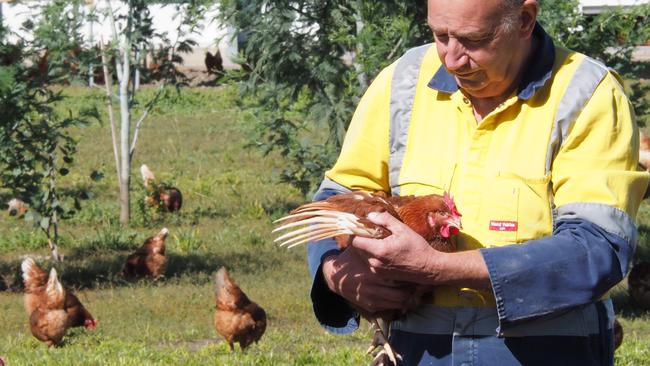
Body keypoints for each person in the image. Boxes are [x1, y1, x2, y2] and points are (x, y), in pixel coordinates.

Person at [305, 0, 649, 365]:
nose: (452, 58)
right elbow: (337, 196)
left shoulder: (586, 93)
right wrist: (334, 268)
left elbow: (597, 249)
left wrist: (437, 269)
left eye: (473, 40)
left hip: (547, 349)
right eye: (440, 35)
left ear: (524, 20)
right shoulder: (404, 80)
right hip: (419, 347)